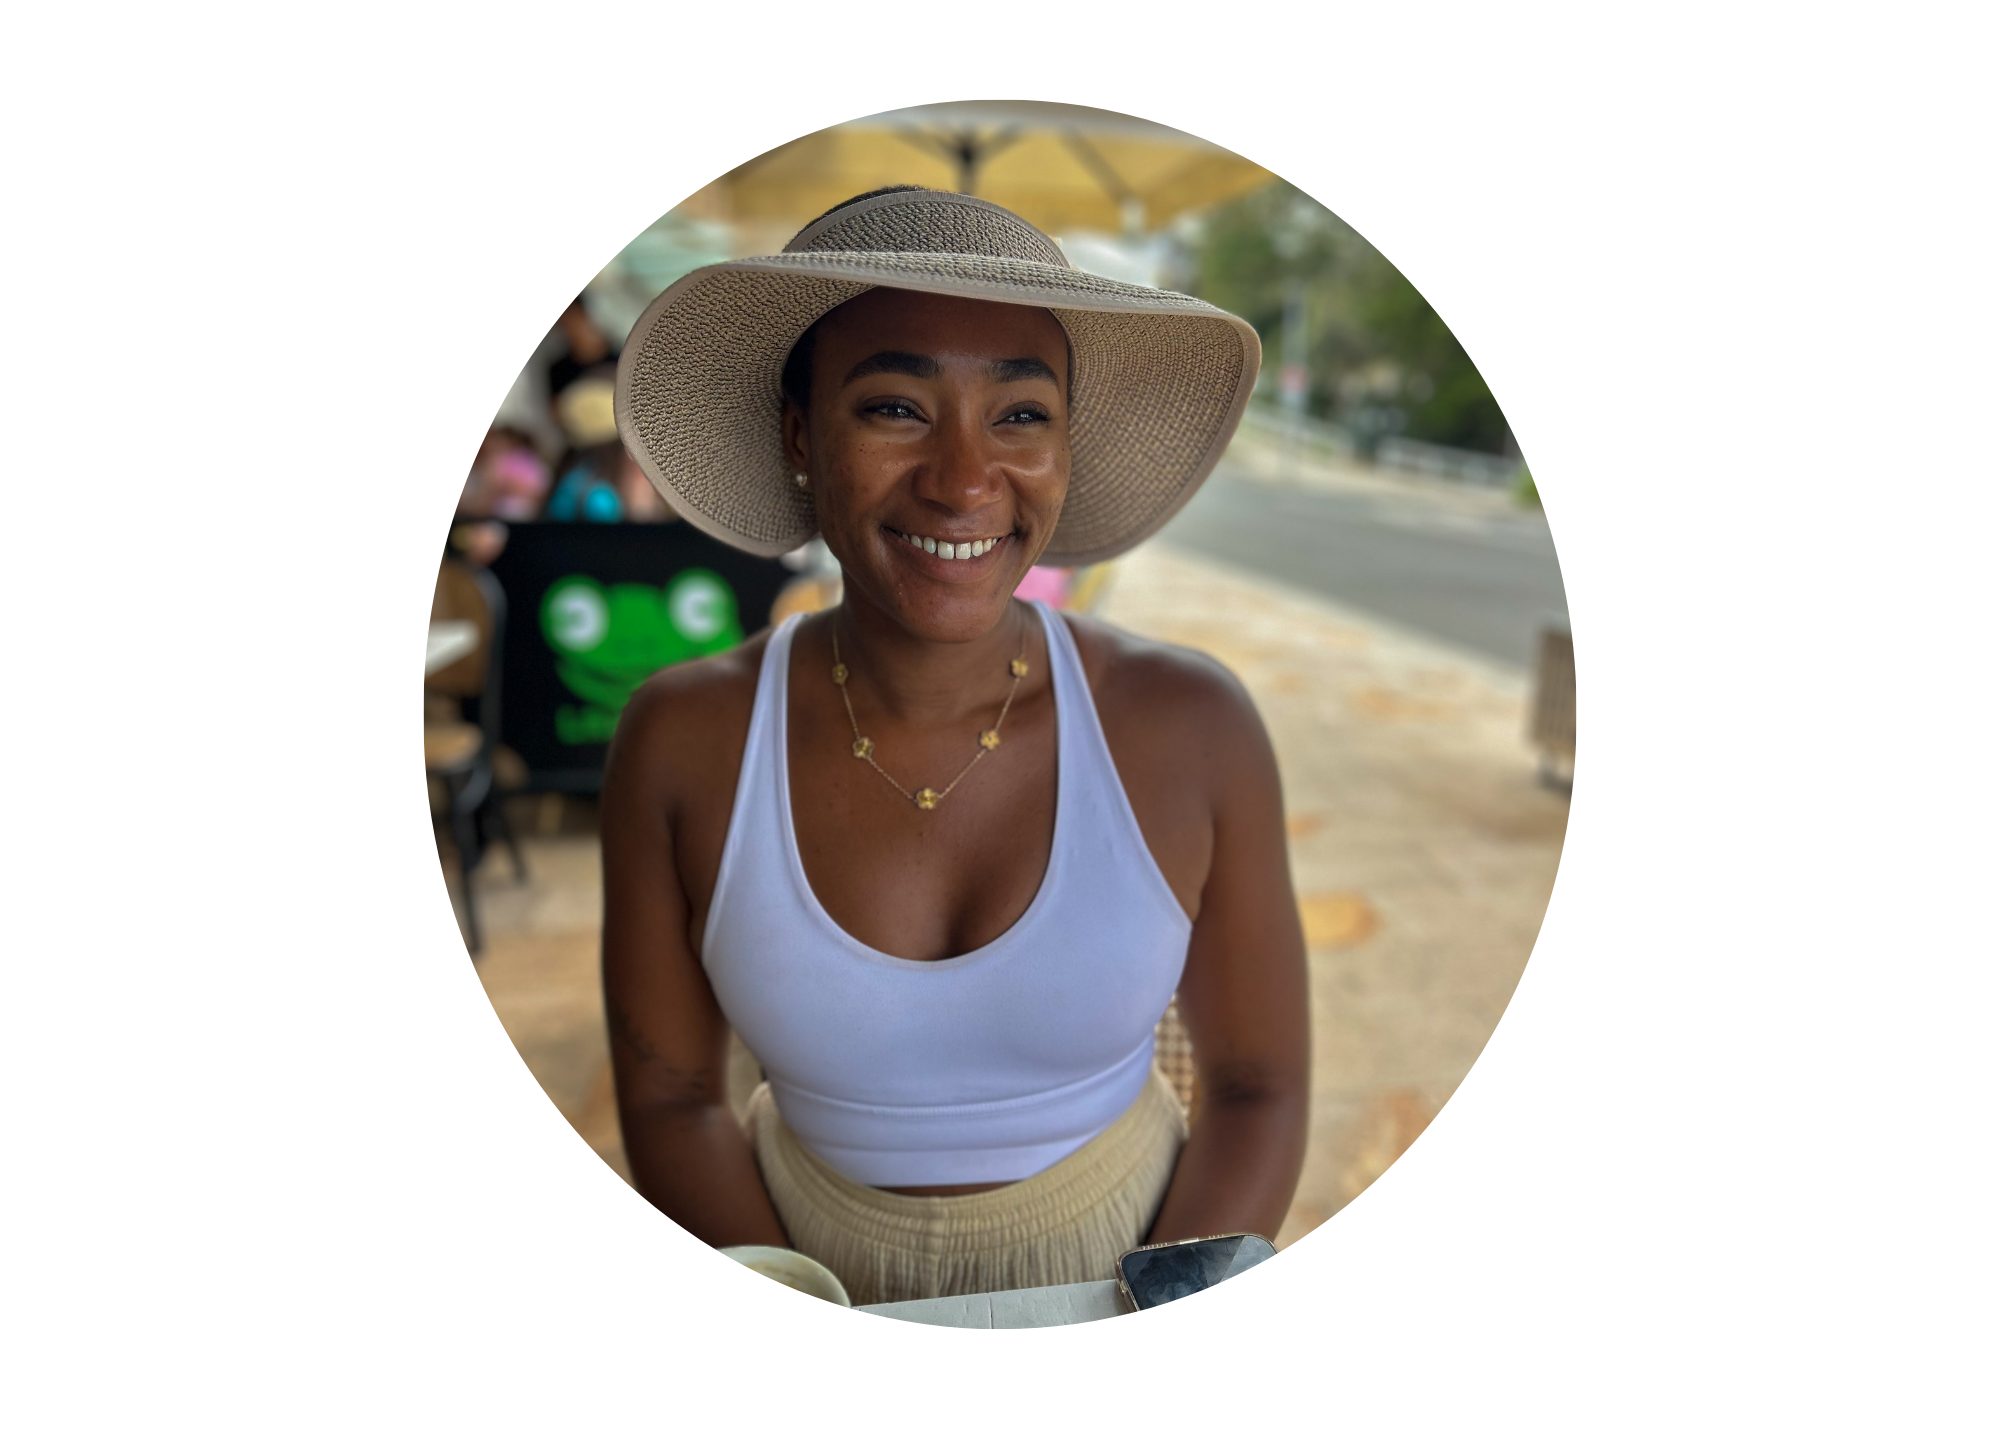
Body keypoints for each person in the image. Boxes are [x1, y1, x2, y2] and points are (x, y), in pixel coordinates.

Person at [600, 186, 1309, 1307]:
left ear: (1066, 445)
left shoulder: (1188, 727)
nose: (964, 479)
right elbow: (673, 1099)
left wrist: (1165, 1317)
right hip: (796, 1254)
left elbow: (1258, 1085)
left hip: (1128, 1266)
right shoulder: (685, 740)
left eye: (1019, 415)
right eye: (894, 406)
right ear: (798, 435)